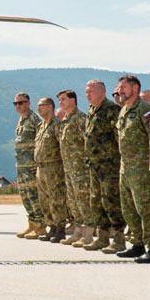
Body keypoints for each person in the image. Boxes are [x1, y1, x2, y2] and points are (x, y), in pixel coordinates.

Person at [114, 75, 150, 261]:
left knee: (146, 209)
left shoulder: (145, 110)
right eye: (119, 87)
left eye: (123, 87)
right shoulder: (123, 111)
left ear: (135, 89)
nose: (119, 91)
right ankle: (137, 244)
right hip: (126, 168)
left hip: (142, 169)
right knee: (129, 209)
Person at [83, 80, 124, 250]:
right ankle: (102, 237)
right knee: (96, 202)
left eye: (91, 91)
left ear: (102, 92)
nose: (88, 95)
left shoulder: (111, 110)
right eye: (86, 92)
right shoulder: (92, 111)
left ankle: (119, 239)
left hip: (110, 165)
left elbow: (118, 136)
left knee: (111, 201)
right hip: (95, 165)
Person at [56, 90, 92, 245]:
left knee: (83, 200)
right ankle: (78, 231)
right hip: (69, 168)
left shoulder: (80, 119)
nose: (61, 103)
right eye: (59, 100)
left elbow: (88, 142)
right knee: (73, 201)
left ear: (73, 100)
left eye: (63, 99)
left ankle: (88, 234)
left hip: (81, 169)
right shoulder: (65, 121)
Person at [33, 98, 69, 242]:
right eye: (38, 106)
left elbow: (62, 146)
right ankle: (51, 227)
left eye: (41, 105)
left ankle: (60, 229)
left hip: (54, 167)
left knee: (56, 199)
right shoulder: (41, 126)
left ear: (50, 107)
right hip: (41, 167)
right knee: (44, 200)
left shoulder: (57, 125)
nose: (39, 108)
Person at [13, 93, 44, 238]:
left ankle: (40, 227)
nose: (18, 106)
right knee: (25, 196)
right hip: (21, 165)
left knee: (34, 196)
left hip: (31, 165)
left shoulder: (34, 119)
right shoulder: (22, 120)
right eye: (16, 103)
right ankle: (31, 224)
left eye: (21, 103)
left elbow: (40, 140)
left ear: (28, 103)